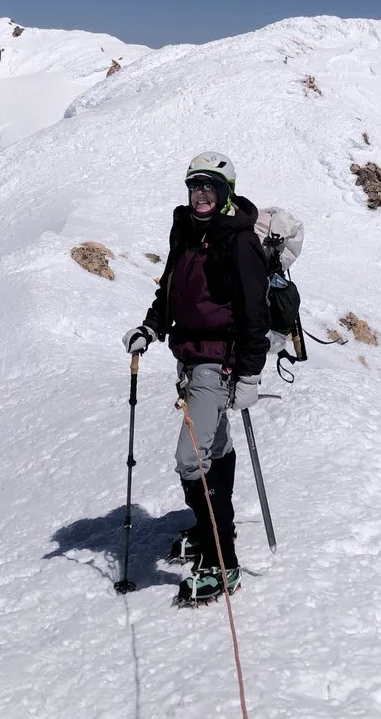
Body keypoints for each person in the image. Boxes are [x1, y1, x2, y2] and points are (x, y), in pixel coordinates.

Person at [125, 152, 268, 604]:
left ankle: (220, 560)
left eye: (209, 185)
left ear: (225, 191)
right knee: (216, 448)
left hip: (217, 363)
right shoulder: (186, 231)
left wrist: (249, 373)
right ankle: (213, 530)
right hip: (188, 359)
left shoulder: (239, 241)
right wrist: (152, 325)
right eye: (194, 185)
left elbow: (254, 311)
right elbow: (169, 287)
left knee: (191, 458)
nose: (200, 193)